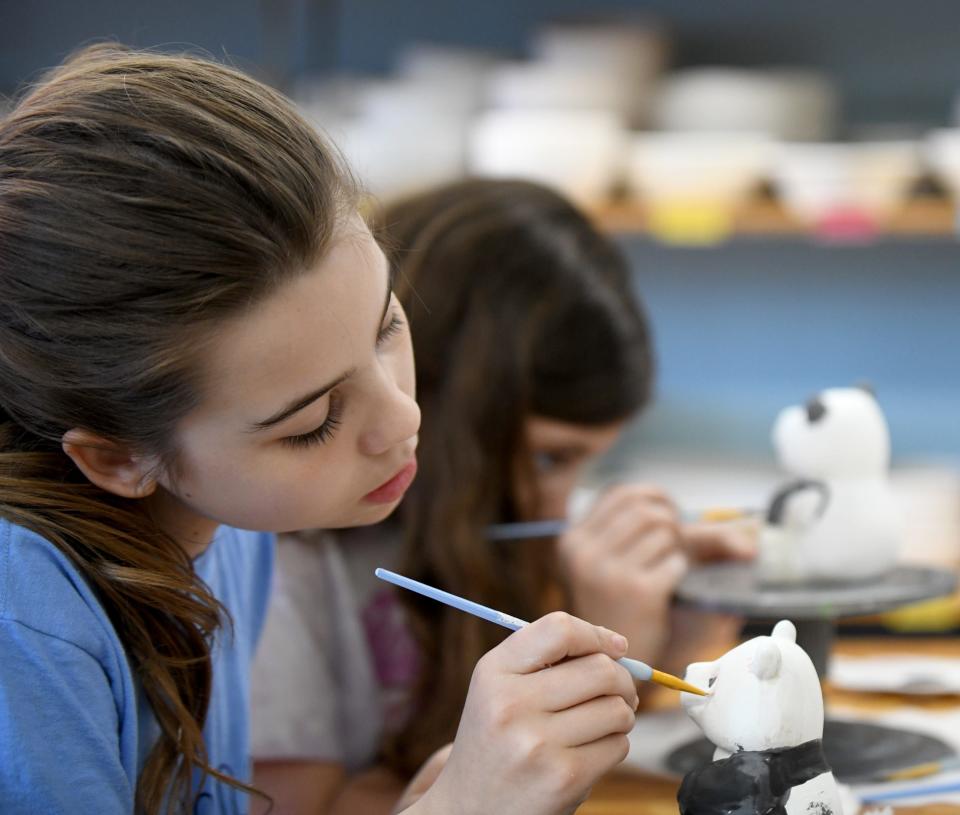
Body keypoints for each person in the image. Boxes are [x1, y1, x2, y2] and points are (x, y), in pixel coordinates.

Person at [0, 49, 641, 815]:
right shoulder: (27, 629)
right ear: (115, 456)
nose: (402, 419)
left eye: (387, 327)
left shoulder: (228, 522)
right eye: (312, 422)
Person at [251, 179, 751, 813]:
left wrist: (667, 642)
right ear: (445, 403)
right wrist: (603, 646)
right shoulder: (279, 564)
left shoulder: (474, 525)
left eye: (586, 463)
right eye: (550, 458)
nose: (555, 507)